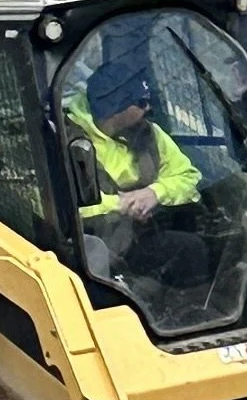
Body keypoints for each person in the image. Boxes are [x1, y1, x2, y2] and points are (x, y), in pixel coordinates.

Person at [64, 34, 204, 276]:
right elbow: (59, 206)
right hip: (88, 249)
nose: (148, 108)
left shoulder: (151, 134)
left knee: (193, 249)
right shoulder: (65, 141)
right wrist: (121, 204)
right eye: (141, 102)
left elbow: (189, 177)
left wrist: (154, 193)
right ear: (115, 109)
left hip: (140, 237)